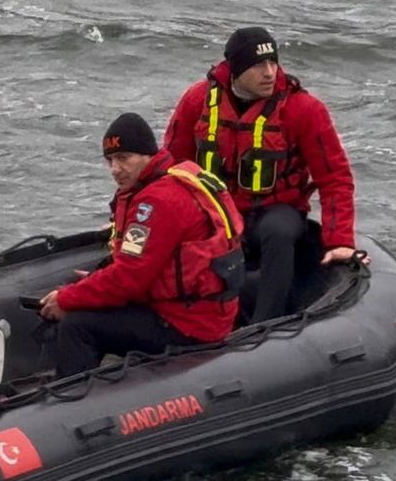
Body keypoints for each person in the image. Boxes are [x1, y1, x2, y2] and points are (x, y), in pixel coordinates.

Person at [163, 26, 369, 324]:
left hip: (274, 212)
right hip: (217, 211)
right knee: (179, 235)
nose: (270, 72)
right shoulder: (198, 100)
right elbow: (171, 167)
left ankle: (265, 325)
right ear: (236, 69)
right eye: (258, 65)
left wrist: (341, 240)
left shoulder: (303, 109)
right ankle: (181, 317)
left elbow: (335, 178)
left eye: (273, 62)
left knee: (278, 232)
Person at [39, 113, 245, 378]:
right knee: (84, 296)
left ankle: (71, 397)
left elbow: (129, 279)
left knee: (77, 324)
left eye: (124, 158)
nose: (115, 169)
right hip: (197, 312)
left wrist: (67, 298)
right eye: (110, 160)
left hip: (186, 324)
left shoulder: (157, 202)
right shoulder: (170, 180)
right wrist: (87, 285)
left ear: (147, 155)